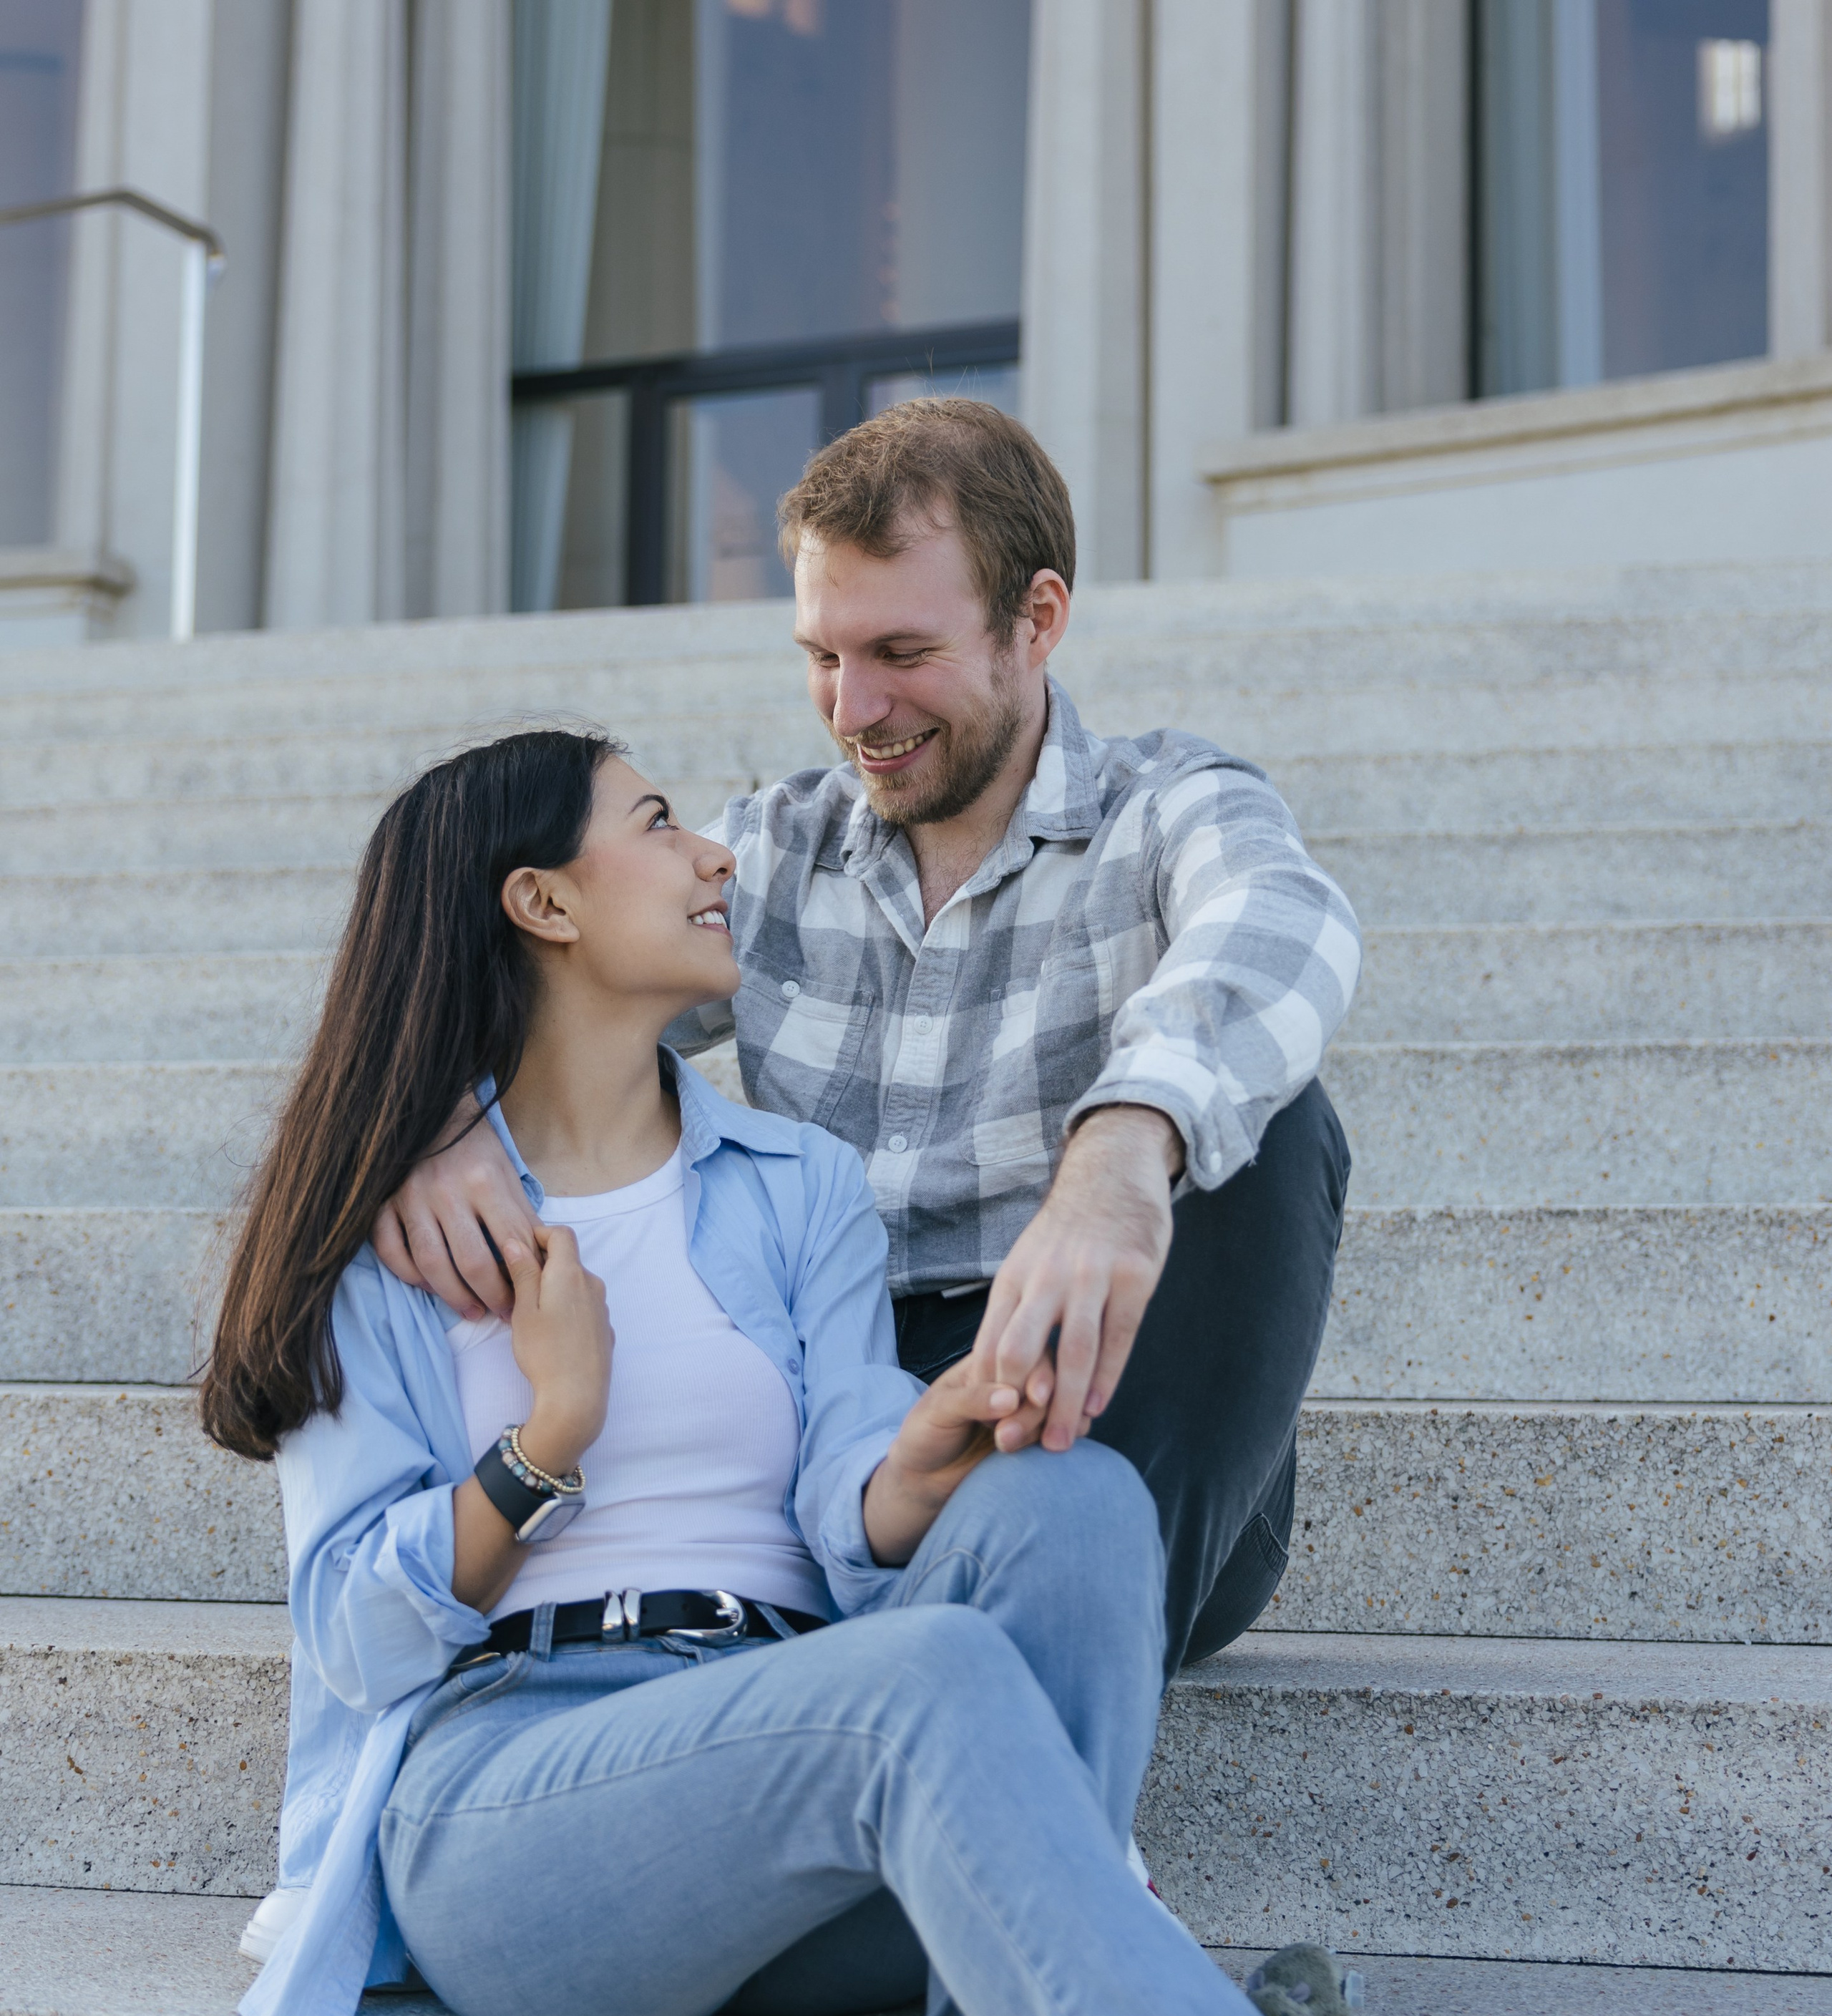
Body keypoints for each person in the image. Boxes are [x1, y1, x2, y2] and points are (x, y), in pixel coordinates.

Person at [203, 729, 1626, 2016]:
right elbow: (354, 1626)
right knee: (939, 1687)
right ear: (541, 902)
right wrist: (546, 1435)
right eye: (657, 824)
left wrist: (931, 1445)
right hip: (513, 1806)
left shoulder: (787, 1180)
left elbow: (833, 1507)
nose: (715, 851)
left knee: (1077, 1513)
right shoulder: (400, 1223)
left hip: (788, 1744)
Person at [371, 399, 1359, 1677]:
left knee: (1273, 1127)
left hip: (1097, 1385)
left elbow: (1285, 923)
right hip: (841, 1396)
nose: (854, 708)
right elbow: (547, 979)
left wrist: (1120, 1154)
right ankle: (916, 1672)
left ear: (1037, 620)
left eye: (901, 650)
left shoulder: (1167, 809)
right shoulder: (771, 851)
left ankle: (1032, 1684)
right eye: (822, 655)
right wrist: (444, 1115)